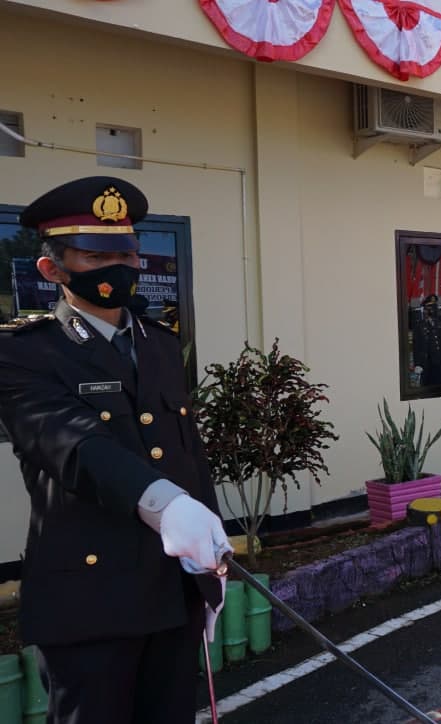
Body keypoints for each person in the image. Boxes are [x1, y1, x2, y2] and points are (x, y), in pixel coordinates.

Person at [0, 176, 229, 723]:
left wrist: (211, 547)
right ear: (51, 269)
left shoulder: (161, 344)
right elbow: (73, 444)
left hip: (171, 592)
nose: (118, 265)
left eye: (127, 251)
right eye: (96, 254)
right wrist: (167, 504)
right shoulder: (24, 355)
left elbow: (186, 454)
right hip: (90, 600)